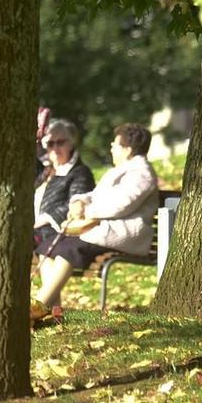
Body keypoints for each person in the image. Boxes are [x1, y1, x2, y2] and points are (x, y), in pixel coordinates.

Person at [33, 121, 160, 313]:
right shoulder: (119, 170)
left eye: (115, 145)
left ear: (127, 149)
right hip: (103, 229)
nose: (111, 148)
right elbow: (94, 194)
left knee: (70, 249)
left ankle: (37, 307)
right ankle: (52, 311)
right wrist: (79, 201)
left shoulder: (142, 173)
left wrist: (87, 211)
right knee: (47, 248)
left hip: (122, 233)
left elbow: (121, 205)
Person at [30, 117, 95, 254]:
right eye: (50, 144)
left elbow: (75, 205)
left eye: (60, 143)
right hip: (34, 230)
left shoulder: (80, 173)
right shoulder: (45, 171)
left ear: (71, 144)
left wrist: (44, 219)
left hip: (53, 233)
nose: (54, 148)